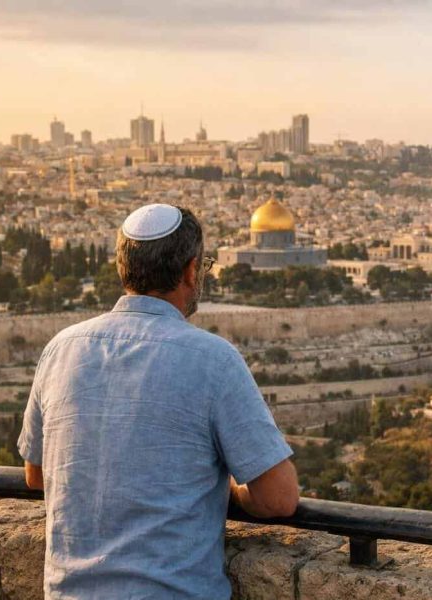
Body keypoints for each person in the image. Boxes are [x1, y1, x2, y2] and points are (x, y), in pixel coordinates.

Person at [18, 204, 299, 599]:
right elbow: (279, 498)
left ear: (123, 269)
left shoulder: (61, 349)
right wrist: (228, 492)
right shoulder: (213, 359)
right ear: (189, 271)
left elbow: (36, 474)